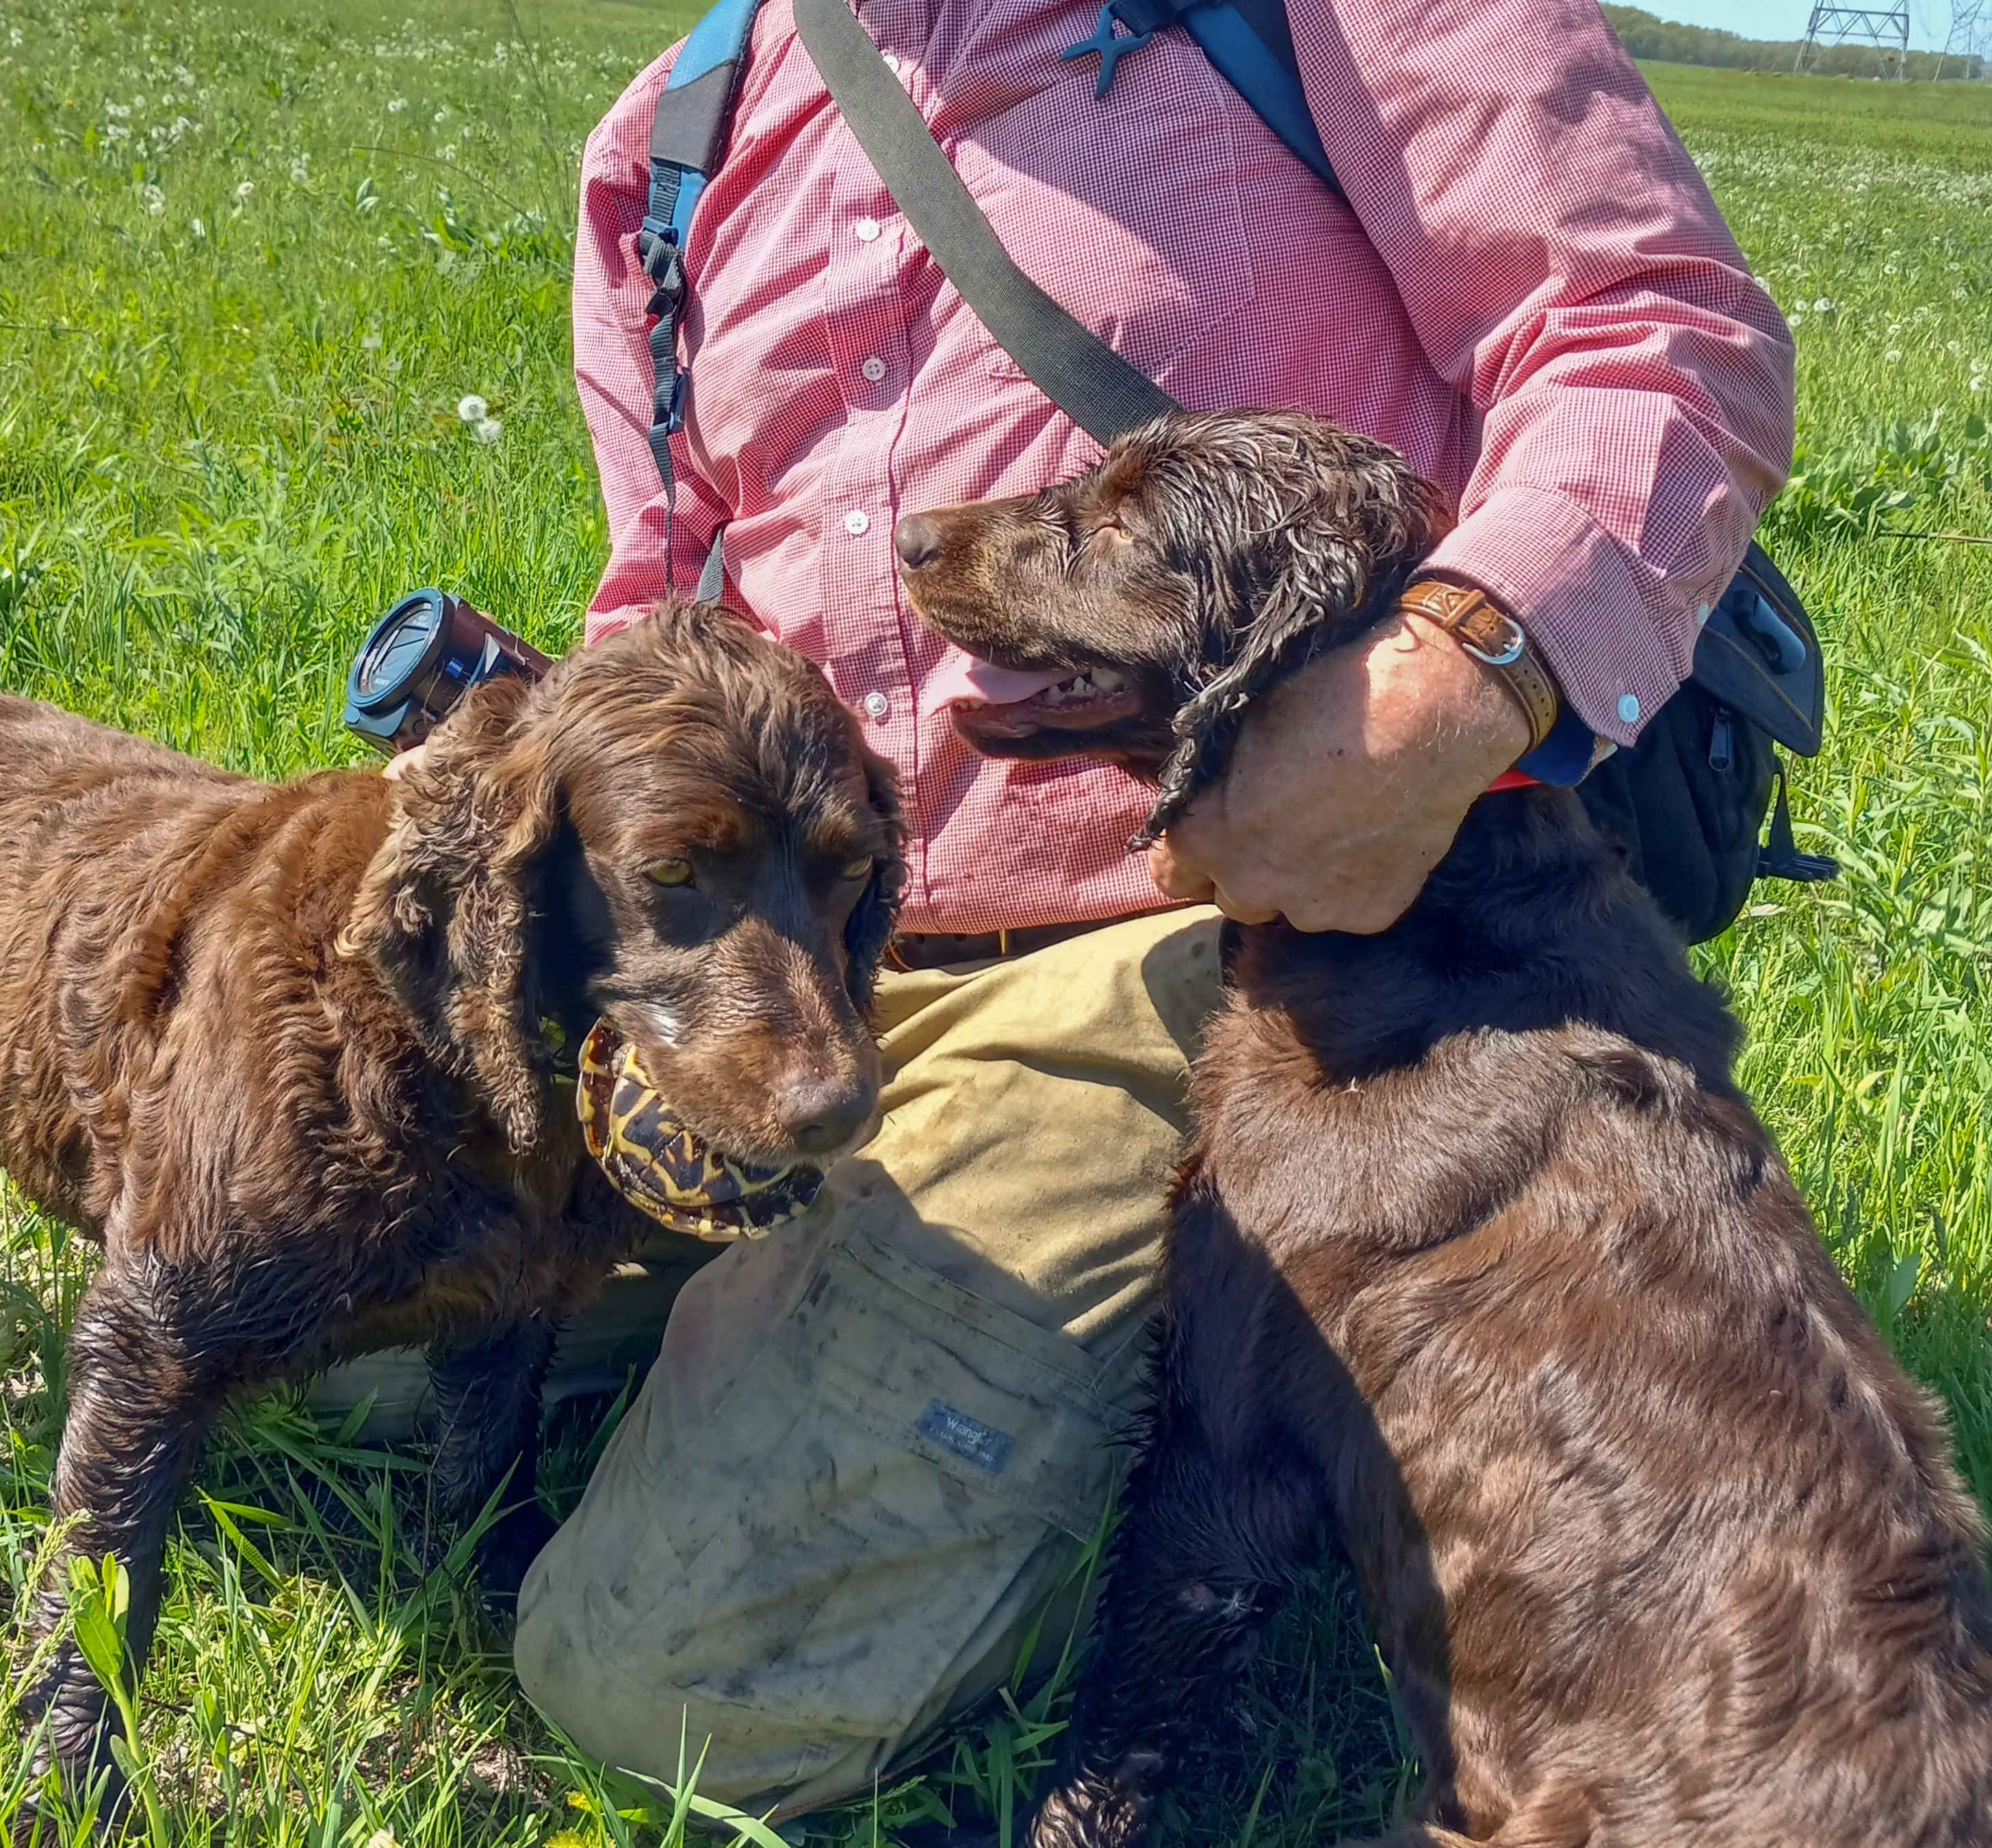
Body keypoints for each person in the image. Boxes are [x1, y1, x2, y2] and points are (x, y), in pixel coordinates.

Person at [348, 0, 1794, 1814]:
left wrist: (1437, 701)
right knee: (339, 1348)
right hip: (807, 964)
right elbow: (664, 595)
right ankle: (894, 1368)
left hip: (1215, 941)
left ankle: (1208, 1439)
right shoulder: (677, 135)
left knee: (674, 1679)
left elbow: (1657, 336)